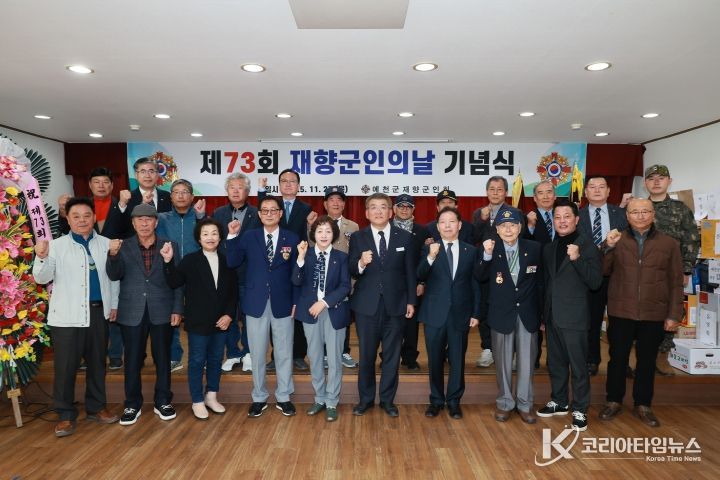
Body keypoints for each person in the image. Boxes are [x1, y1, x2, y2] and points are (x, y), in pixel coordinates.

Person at [33, 197, 120, 437]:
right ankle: (65, 415)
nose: (82, 220)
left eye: (86, 215)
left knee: (97, 364)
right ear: (68, 219)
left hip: (98, 313)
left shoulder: (106, 244)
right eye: (76, 216)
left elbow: (113, 278)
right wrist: (41, 257)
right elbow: (41, 278)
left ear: (94, 217)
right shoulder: (55, 246)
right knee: (65, 368)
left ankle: (97, 408)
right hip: (66, 317)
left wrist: (113, 304)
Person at [599, 199, 683, 427]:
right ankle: (613, 401)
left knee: (646, 361)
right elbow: (602, 270)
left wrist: (674, 314)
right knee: (617, 359)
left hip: (654, 312)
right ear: (627, 216)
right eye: (635, 212)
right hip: (621, 310)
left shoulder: (669, 243)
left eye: (645, 211)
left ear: (653, 214)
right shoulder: (617, 239)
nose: (640, 215)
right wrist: (607, 246)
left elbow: (676, 282)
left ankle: (643, 404)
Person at [106, 203, 183, 426]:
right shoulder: (123, 246)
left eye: (148, 219)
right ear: (133, 223)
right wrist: (113, 255)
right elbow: (114, 275)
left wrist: (177, 308)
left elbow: (177, 280)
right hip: (132, 310)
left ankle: (163, 401)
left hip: (162, 310)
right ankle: (132, 404)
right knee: (132, 360)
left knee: (163, 358)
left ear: (156, 222)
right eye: (139, 220)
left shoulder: (170, 245)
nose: (144, 223)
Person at [225, 195, 299, 418]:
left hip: (283, 302)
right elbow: (232, 261)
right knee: (257, 353)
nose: (269, 214)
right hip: (255, 302)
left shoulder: (292, 237)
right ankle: (259, 396)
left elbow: (297, 273)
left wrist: (296, 301)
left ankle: (284, 396)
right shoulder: (249, 236)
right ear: (259, 214)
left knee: (284, 352)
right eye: (264, 210)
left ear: (280, 213)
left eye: (273, 210)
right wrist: (232, 236)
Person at [161, 217, 237, 420]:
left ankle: (211, 396)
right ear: (199, 238)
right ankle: (197, 400)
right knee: (196, 361)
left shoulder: (227, 260)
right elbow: (174, 281)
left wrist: (229, 315)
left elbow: (233, 292)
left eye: (214, 233)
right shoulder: (190, 260)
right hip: (198, 322)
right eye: (205, 234)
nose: (210, 237)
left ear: (220, 237)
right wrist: (168, 261)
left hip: (221, 322)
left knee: (216, 359)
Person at [537, 199, 602, 432]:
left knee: (578, 366)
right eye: (557, 217)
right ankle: (560, 401)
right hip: (552, 315)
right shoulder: (550, 248)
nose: (562, 221)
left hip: (575, 316)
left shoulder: (587, 245)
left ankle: (580, 408)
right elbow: (547, 283)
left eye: (567, 216)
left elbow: (595, 282)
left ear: (576, 219)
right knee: (555, 362)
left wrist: (577, 259)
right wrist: (544, 315)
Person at [349, 193, 417, 418]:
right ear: (366, 213)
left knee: (391, 356)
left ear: (391, 212)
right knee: (367, 356)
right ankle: (366, 399)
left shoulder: (404, 237)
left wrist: (411, 301)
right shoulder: (358, 237)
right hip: (366, 306)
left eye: (383, 207)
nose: (378, 211)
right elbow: (351, 268)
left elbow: (410, 273)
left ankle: (387, 400)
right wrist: (361, 263)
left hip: (396, 305)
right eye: (373, 207)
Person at [58, 167, 129, 370]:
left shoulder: (121, 204)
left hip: (114, 260)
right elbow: (64, 229)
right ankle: (87, 356)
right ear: (89, 185)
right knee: (87, 313)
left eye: (105, 182)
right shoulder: (81, 206)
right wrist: (62, 213)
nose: (101, 186)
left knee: (113, 309)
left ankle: (115, 355)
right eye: (96, 182)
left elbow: (128, 230)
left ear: (112, 185)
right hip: (84, 264)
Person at [476, 208, 542, 424]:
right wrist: (486, 255)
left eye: (512, 225)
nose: (508, 229)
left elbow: (541, 283)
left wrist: (542, 315)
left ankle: (525, 404)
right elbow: (479, 276)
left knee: (526, 362)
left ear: (520, 227)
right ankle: (505, 403)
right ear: (496, 229)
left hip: (527, 313)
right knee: (502, 363)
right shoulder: (490, 248)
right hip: (501, 313)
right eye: (503, 226)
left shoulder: (534, 248)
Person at [417, 207, 480, 420]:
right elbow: (419, 274)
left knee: (457, 359)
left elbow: (475, 284)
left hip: (460, 314)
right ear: (437, 226)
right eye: (443, 222)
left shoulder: (471, 251)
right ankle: (436, 400)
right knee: (434, 360)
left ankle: (454, 401)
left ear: (459, 225)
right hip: (434, 313)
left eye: (451, 221)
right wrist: (430, 257)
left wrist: (476, 312)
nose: (447, 226)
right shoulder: (429, 249)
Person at [293, 216, 352, 422]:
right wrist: (300, 259)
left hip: (334, 311)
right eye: (319, 231)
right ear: (313, 235)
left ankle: (332, 401)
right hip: (310, 313)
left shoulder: (341, 257)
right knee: (315, 357)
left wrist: (324, 302)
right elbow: (296, 281)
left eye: (328, 231)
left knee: (334, 359)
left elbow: (345, 286)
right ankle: (319, 398)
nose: (324, 235)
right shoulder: (305, 254)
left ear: (333, 234)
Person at [643, 164, 700, 376]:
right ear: (645, 183)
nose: (656, 182)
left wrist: (686, 270)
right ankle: (642, 359)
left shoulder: (681, 209)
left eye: (661, 178)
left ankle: (662, 356)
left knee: (671, 313)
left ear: (669, 181)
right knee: (641, 315)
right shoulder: (638, 208)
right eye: (652, 178)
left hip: (670, 272)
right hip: (641, 273)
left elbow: (691, 240)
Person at [259, 169, 313, 371]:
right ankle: (277, 355)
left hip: (298, 263)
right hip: (276, 266)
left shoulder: (307, 208)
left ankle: (298, 355)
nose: (288, 184)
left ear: (299, 186)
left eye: (292, 181)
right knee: (277, 310)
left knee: (298, 309)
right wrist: (261, 191)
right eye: (284, 181)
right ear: (279, 184)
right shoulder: (272, 206)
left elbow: (309, 236)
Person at [578, 175, 629, 376]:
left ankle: (621, 362)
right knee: (592, 319)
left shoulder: (622, 214)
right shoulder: (577, 216)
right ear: (586, 192)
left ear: (609, 191)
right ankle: (592, 359)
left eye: (602, 187)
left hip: (618, 275)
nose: (597, 190)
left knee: (619, 322)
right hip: (591, 275)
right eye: (592, 187)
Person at [307, 186, 360, 368]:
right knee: (321, 316)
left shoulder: (353, 226)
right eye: (331, 199)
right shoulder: (316, 223)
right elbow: (311, 248)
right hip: (321, 279)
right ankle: (323, 354)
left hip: (344, 280)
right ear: (325, 204)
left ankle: (343, 352)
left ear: (344, 204)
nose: (335, 203)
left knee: (342, 317)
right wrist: (310, 226)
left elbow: (355, 252)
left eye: (339, 200)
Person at [156, 179, 206, 373]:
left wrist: (201, 217)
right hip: (171, 272)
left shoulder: (201, 217)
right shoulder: (161, 218)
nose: (180, 195)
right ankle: (174, 357)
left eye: (185, 192)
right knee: (172, 316)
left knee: (200, 317)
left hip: (197, 274)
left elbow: (210, 238)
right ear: (171, 197)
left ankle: (200, 358)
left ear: (192, 197)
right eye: (176, 192)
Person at [214, 173, 261, 374]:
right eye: (232, 187)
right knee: (228, 315)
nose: (235, 190)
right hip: (225, 274)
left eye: (240, 187)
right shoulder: (218, 213)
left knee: (249, 316)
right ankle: (233, 353)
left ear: (247, 191)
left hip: (250, 274)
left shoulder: (257, 213)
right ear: (227, 191)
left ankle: (249, 352)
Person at [472, 176, 513, 368]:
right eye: (492, 189)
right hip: (485, 267)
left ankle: (510, 350)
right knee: (485, 308)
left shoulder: (514, 212)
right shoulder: (479, 213)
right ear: (487, 192)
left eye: (499, 189)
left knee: (508, 307)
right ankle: (488, 347)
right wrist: (482, 220)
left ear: (506, 192)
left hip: (508, 267)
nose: (495, 193)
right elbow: (474, 237)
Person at [392, 193, 432, 371]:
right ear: (394, 209)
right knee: (390, 323)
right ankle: (389, 356)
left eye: (408, 206)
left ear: (413, 209)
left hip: (414, 284)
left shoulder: (423, 232)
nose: (404, 209)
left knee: (411, 324)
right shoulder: (386, 228)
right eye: (401, 206)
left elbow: (425, 260)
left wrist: (422, 283)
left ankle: (409, 358)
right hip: (391, 283)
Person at [523, 180, 557, 370]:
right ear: (534, 198)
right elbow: (522, 243)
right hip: (535, 276)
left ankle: (555, 359)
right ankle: (533, 359)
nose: (545, 196)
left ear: (555, 195)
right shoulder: (527, 218)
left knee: (555, 318)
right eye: (541, 193)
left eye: (549, 192)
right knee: (534, 318)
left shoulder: (563, 215)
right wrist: (530, 226)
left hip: (559, 276)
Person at [119, 157, 172, 237]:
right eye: (143, 171)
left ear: (157, 175)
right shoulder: (127, 198)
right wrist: (123, 204)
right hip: (136, 243)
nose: (147, 175)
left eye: (151, 171)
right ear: (136, 175)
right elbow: (121, 226)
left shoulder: (167, 196)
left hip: (165, 243)